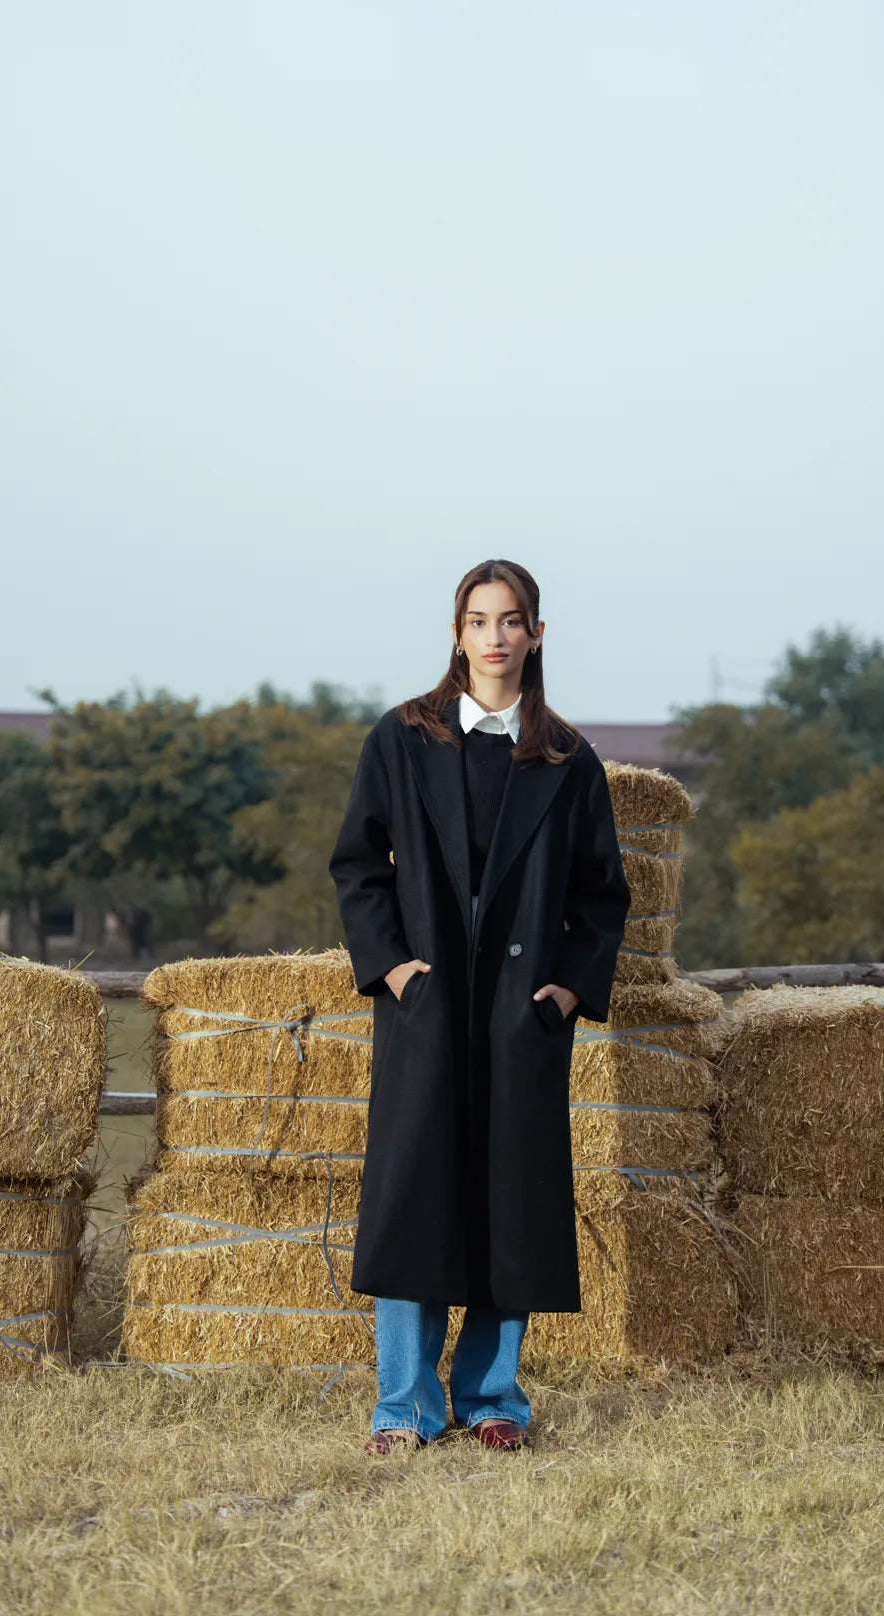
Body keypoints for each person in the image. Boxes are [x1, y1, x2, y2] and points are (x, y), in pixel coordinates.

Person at [328, 558, 630, 1454]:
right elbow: (357, 868)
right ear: (456, 633)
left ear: (537, 635)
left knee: (513, 1202)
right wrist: (395, 974)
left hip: (518, 1017)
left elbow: (602, 897)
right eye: (478, 620)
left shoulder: (569, 762)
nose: (495, 637)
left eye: (511, 621)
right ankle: (404, 1409)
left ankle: (494, 1399)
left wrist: (567, 992)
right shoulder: (401, 738)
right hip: (425, 1010)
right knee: (413, 1198)